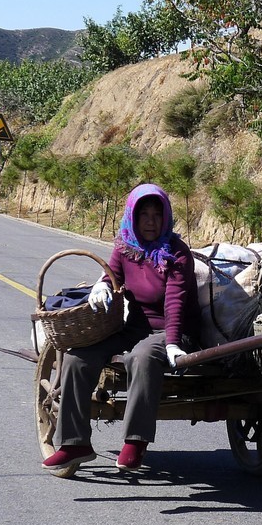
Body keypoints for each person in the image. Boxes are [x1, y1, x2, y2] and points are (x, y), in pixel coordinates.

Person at [42, 183, 200, 476]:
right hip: (135, 328)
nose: (151, 222)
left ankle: (135, 440)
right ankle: (75, 443)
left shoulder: (177, 253)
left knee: (141, 357)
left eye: (157, 215)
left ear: (166, 217)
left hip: (173, 331)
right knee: (77, 358)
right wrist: (102, 286)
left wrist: (173, 342)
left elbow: (175, 301)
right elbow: (110, 274)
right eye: (144, 215)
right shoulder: (125, 248)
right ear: (133, 217)